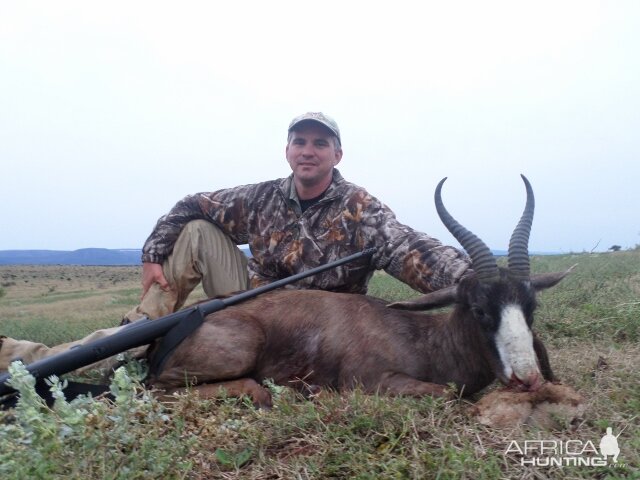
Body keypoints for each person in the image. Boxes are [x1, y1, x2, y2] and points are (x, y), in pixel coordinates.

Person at [0, 112, 471, 373]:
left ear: (336, 154)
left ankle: (89, 351)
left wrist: (475, 281)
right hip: (256, 298)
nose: (308, 150)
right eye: (299, 141)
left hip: (324, 326)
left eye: (319, 144)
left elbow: (407, 246)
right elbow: (192, 203)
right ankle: (138, 330)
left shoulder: (359, 207)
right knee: (198, 230)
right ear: (288, 150)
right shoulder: (261, 197)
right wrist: (152, 253)